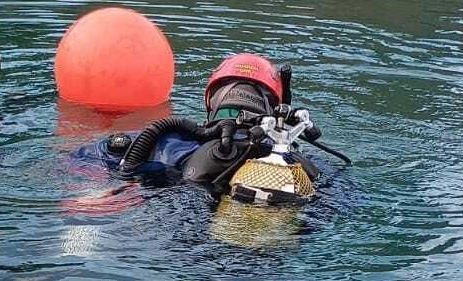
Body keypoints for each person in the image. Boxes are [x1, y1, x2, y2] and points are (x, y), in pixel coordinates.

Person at [84, 52, 345, 204]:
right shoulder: (304, 166)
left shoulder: (163, 142)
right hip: (264, 264)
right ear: (277, 104)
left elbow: (80, 162)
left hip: (173, 236)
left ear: (210, 100)